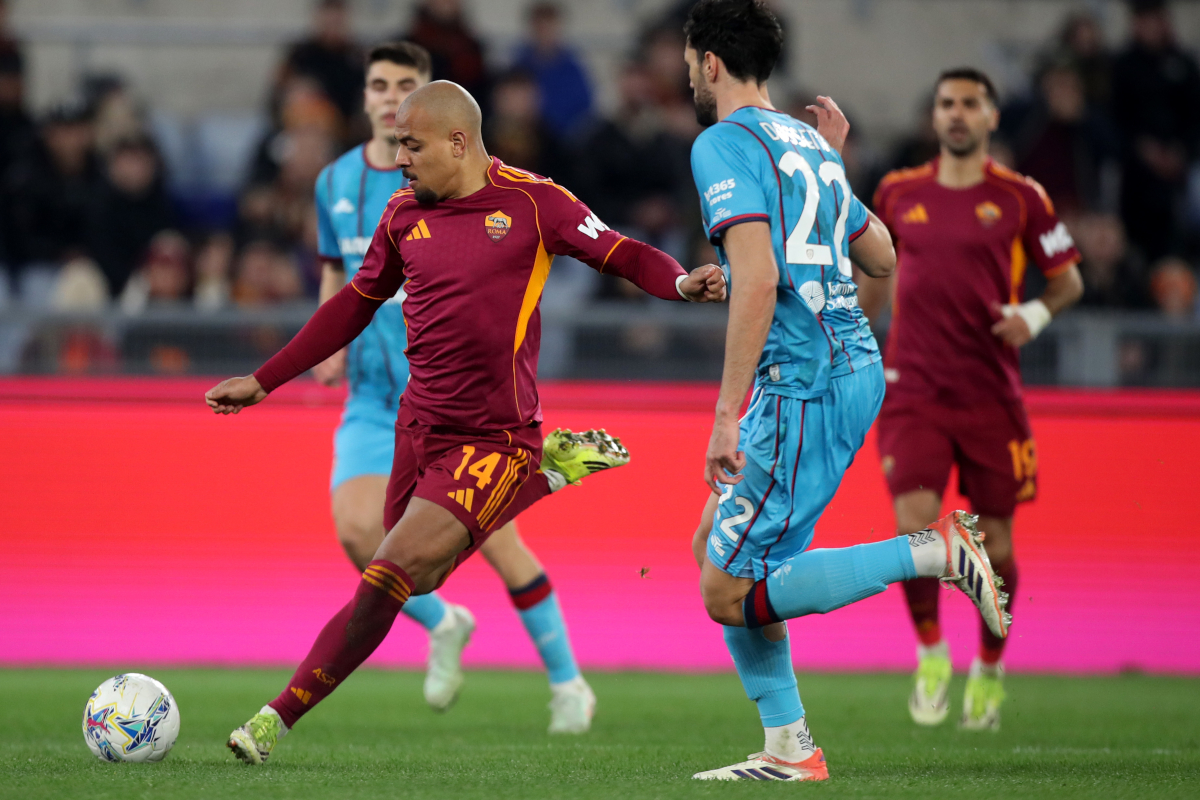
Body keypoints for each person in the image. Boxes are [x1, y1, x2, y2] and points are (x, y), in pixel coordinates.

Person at [207, 79, 727, 765]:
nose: (401, 160)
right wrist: (266, 379)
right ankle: (551, 474)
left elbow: (621, 251)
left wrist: (680, 283)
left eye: (412, 145)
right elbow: (352, 307)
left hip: (494, 436)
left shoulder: (534, 202)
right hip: (416, 427)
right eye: (397, 146)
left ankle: (275, 719)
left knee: (387, 574)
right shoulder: (401, 216)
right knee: (421, 580)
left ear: (459, 141)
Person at [681, 0, 1008, 782]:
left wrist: (725, 415)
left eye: (691, 60)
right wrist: (830, 173)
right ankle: (789, 748)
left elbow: (762, 277)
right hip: (849, 367)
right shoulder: (809, 144)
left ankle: (932, 550)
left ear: (713, 63)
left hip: (802, 383)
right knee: (711, 550)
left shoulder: (721, 143)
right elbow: (883, 256)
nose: (688, 72)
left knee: (727, 592)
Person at [312, 41, 594, 731]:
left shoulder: (440, 179)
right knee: (359, 533)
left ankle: (568, 683)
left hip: (463, 410)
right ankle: (442, 623)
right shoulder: (335, 183)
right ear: (366, 97)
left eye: (403, 85)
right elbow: (339, 274)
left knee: (499, 543)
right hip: (378, 400)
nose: (387, 96)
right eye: (378, 84)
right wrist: (326, 347)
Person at [866, 68, 1084, 733]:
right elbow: (874, 278)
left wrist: (1034, 318)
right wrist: (852, 338)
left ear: (991, 117)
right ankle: (932, 651)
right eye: (945, 104)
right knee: (916, 527)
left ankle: (989, 662)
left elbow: (1067, 281)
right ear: (934, 118)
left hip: (992, 393)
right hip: (914, 389)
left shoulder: (1021, 198)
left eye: (969, 104)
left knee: (995, 541)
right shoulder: (897, 192)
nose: (956, 114)